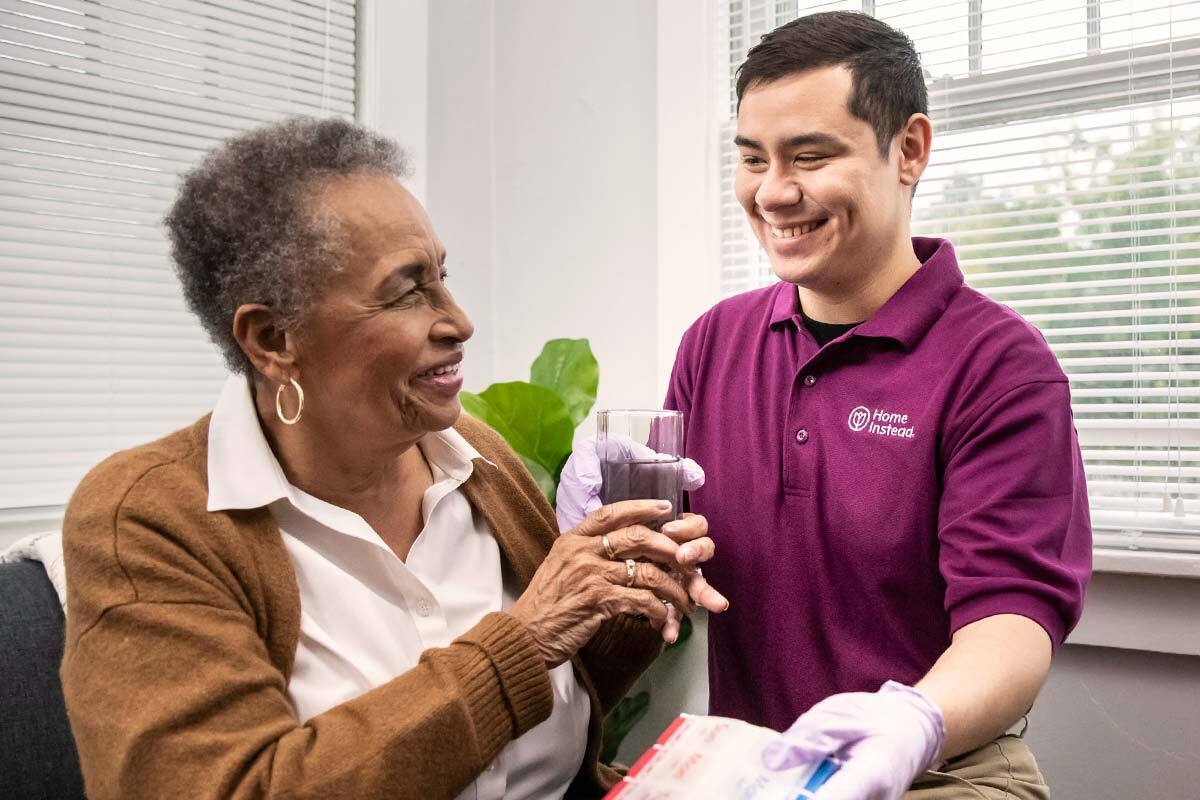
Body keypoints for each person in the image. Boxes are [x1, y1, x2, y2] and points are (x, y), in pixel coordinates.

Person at [59, 117, 727, 800]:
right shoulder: (148, 516)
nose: (459, 322)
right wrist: (522, 643)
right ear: (272, 338)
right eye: (407, 292)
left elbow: (562, 702)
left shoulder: (476, 459)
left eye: (442, 276)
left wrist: (623, 593)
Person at [557, 12, 1091, 800]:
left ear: (908, 150)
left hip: (939, 769)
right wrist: (616, 528)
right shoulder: (716, 342)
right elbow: (674, 562)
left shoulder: (1000, 366)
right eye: (752, 159)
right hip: (764, 769)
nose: (773, 193)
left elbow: (1012, 622)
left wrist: (916, 723)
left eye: (809, 156)